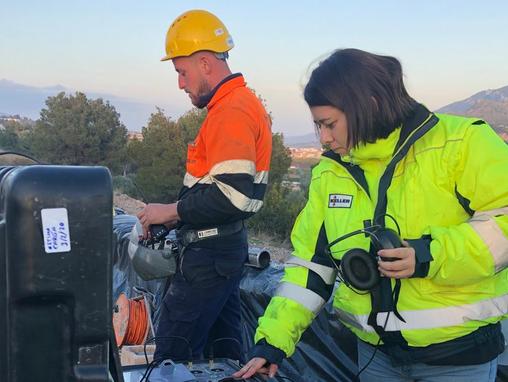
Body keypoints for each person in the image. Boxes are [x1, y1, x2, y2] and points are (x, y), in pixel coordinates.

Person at [234, 48, 508, 381]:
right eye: (317, 125)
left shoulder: (462, 143)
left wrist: (429, 255)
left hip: (458, 359)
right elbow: (310, 268)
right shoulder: (330, 173)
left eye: (329, 124)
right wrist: (272, 342)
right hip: (374, 358)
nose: (323, 137)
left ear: (370, 105)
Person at [137, 9, 272, 362]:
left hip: (210, 256)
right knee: (223, 357)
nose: (180, 83)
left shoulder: (231, 111)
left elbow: (233, 195)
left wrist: (170, 211)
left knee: (172, 359)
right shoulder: (234, 105)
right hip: (222, 250)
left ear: (205, 63)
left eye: (182, 72)